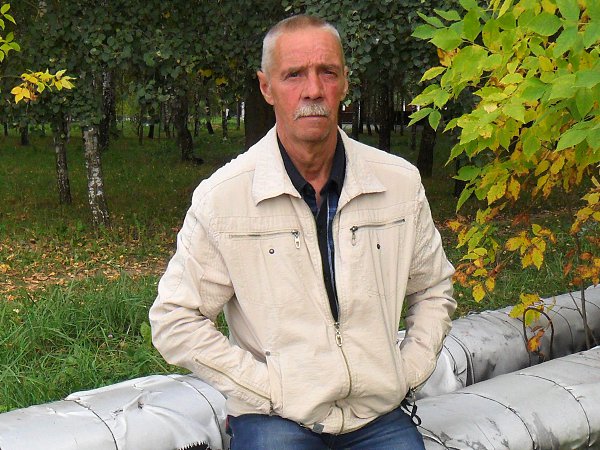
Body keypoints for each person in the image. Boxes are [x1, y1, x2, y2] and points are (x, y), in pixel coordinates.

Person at [150, 14, 456, 449]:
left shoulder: (398, 185)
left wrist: (406, 371)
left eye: (327, 72)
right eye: (294, 74)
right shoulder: (225, 199)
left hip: (375, 413)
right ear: (266, 87)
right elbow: (174, 318)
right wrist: (268, 388)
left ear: (344, 82)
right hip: (275, 416)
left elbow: (433, 288)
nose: (313, 90)